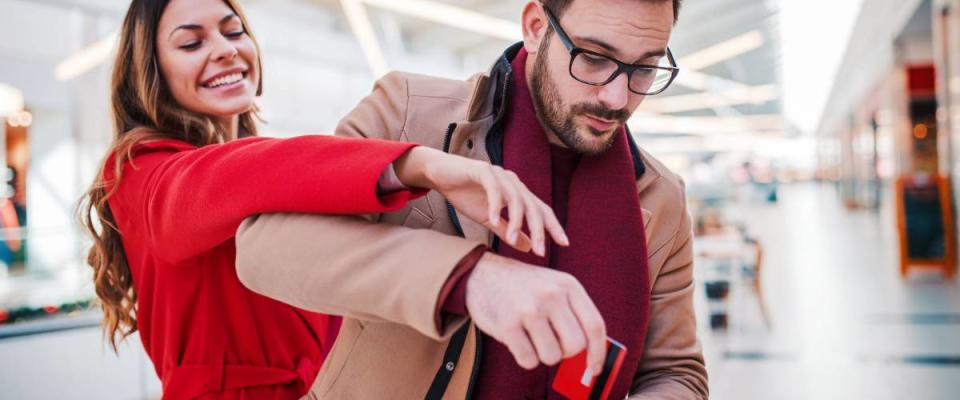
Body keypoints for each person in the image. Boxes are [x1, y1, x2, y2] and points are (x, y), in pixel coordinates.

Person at [78, 0, 567, 398]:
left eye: (234, 31)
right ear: (151, 68)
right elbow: (221, 179)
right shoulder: (139, 170)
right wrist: (420, 164)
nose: (226, 50)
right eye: (191, 42)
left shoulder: (265, 175)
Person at [237, 0, 708, 398]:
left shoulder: (660, 197)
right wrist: (469, 278)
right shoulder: (408, 113)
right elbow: (264, 248)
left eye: (645, 68)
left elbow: (676, 373)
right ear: (536, 27)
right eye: (592, 58)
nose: (616, 96)